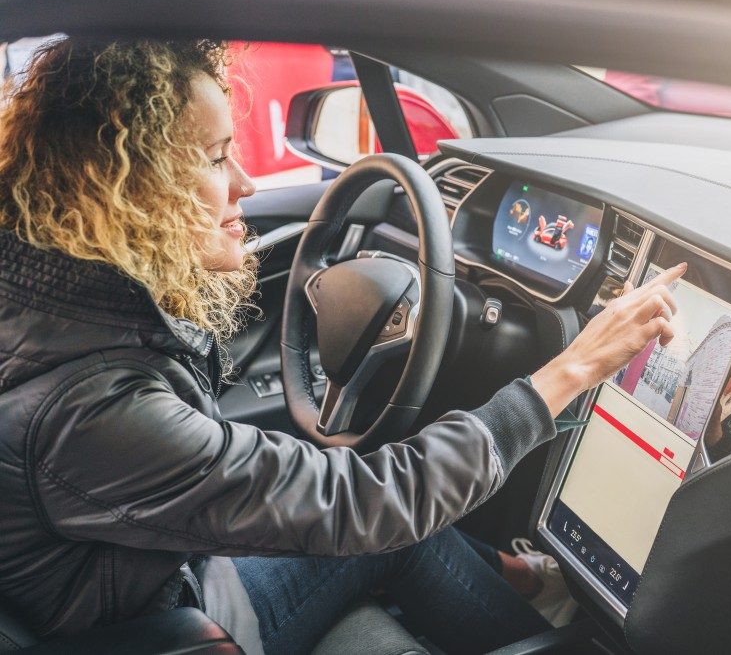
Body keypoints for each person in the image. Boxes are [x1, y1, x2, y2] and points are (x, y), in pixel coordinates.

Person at [0, 39, 683, 654]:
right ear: (128, 192)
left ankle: (529, 579)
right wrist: (572, 369)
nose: (245, 183)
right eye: (214, 159)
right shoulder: (93, 406)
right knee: (394, 525)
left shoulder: (61, 308)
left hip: (137, 580)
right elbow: (372, 502)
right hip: (166, 625)